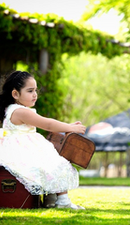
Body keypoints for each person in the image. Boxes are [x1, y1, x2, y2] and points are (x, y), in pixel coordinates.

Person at [0, 70, 86, 210]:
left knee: (49, 163)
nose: (35, 94)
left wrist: (68, 126)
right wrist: (70, 127)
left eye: (35, 90)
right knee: (55, 163)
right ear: (15, 94)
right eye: (30, 91)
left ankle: (51, 198)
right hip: (21, 149)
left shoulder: (13, 109)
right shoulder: (21, 111)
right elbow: (47, 124)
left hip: (21, 146)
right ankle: (62, 200)